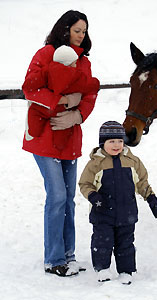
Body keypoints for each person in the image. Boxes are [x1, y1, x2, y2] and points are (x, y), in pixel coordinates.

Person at [22, 10, 100, 277]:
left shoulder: (84, 62)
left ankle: (68, 255)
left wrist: (77, 115)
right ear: (65, 29)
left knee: (68, 200)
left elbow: (89, 94)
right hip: (44, 136)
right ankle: (54, 259)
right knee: (56, 196)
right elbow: (30, 89)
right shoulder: (44, 54)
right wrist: (66, 102)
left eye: (84, 31)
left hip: (70, 137)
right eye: (77, 30)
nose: (81, 35)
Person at [79, 121, 157, 285]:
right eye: (111, 142)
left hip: (127, 213)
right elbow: (85, 184)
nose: (117, 145)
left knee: (126, 244)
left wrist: (150, 197)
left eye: (120, 141)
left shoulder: (133, 161)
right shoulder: (95, 163)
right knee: (103, 241)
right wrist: (93, 196)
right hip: (102, 212)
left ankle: (126, 271)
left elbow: (142, 182)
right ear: (103, 143)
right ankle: (102, 269)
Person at [27, 45, 99, 150]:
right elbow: (87, 85)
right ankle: (60, 144)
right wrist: (95, 83)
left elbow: (31, 85)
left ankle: (33, 131)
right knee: (61, 127)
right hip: (63, 109)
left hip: (45, 108)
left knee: (34, 112)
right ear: (69, 64)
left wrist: (54, 99)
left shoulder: (47, 70)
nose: (76, 66)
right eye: (74, 63)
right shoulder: (75, 75)